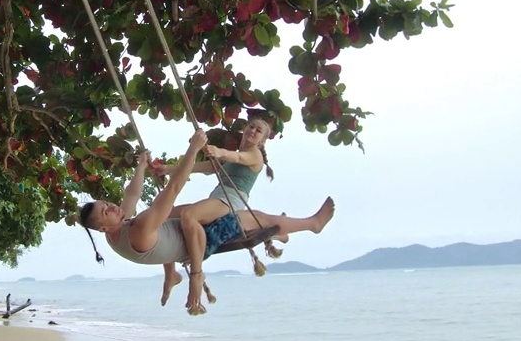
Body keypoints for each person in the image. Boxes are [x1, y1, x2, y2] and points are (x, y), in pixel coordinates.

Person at [79, 130, 335, 315]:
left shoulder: (115, 230)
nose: (112, 207)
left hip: (178, 234)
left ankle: (172, 275)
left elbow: (131, 195)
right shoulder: (138, 230)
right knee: (257, 219)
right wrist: (194, 147)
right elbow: (175, 187)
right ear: (103, 227)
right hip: (202, 239)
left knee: (170, 216)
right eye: (106, 211)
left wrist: (141, 167)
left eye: (106, 204)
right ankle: (312, 224)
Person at [150, 114, 280, 306]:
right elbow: (203, 166)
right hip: (216, 198)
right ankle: (171, 274)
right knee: (163, 216)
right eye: (251, 127)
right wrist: (168, 169)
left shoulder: (255, 155)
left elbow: (237, 156)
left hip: (230, 202)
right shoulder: (231, 154)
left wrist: (219, 151)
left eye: (258, 130)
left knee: (189, 215)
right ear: (245, 129)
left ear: (262, 140)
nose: (252, 131)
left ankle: (196, 276)